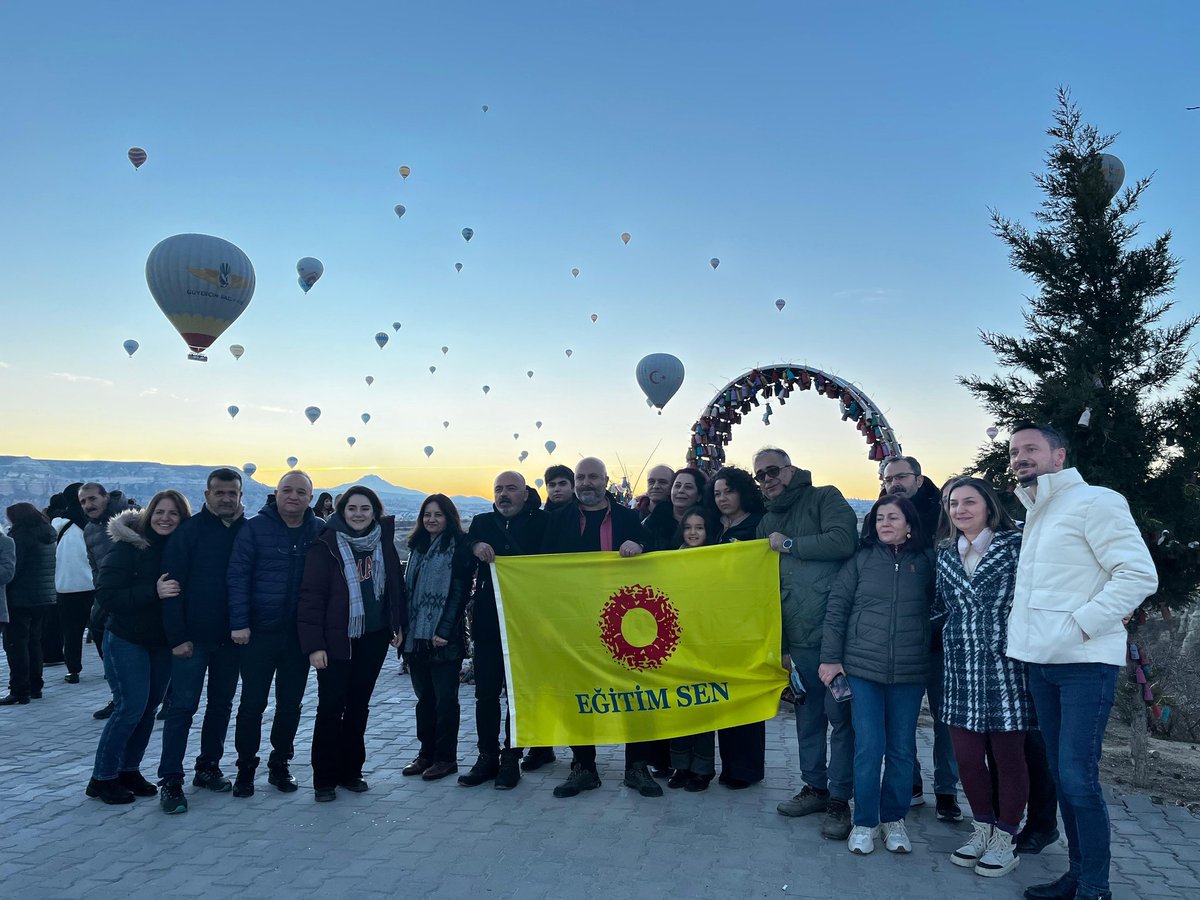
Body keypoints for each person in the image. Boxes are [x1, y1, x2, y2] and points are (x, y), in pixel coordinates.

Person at [1006, 424, 1157, 900]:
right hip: (1040, 660)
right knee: (1060, 771)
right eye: (1015, 451)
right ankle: (1077, 875)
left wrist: (1083, 624)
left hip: (1084, 663)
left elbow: (1137, 573)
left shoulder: (1096, 501)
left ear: (1058, 456)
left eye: (1032, 449)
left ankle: (1095, 886)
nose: (1021, 457)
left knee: (1077, 776)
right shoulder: (1036, 510)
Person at [542, 457, 663, 800]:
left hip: (624, 622)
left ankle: (637, 767)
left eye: (593, 476)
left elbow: (655, 554)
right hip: (574, 622)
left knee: (634, 691)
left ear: (606, 480)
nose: (586, 483)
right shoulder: (557, 519)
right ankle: (584, 767)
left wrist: (639, 547)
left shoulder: (628, 518)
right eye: (581, 477)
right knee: (578, 693)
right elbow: (542, 568)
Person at [820, 494, 933, 856]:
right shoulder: (861, 560)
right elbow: (837, 608)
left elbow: (943, 607)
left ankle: (893, 819)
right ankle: (865, 821)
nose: (885, 523)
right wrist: (830, 658)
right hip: (862, 669)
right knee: (869, 746)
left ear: (910, 524)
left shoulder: (927, 562)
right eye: (879, 517)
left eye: (893, 518)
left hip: (910, 671)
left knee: (901, 749)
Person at [755, 447, 858, 840]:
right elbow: (763, 589)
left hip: (836, 641)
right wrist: (779, 645)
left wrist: (790, 545)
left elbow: (843, 540)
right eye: (760, 475)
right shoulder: (765, 520)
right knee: (807, 720)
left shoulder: (825, 498)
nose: (768, 479)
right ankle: (815, 787)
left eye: (773, 470)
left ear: (790, 468)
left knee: (842, 721)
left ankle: (840, 798)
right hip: (795, 643)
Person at [934, 477, 1029, 877]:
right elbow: (940, 605)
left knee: (1008, 757)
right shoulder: (944, 555)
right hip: (959, 667)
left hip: (1006, 663)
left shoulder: (1016, 546)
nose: (961, 510)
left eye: (969, 502)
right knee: (968, 759)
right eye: (954, 504)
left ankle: (1006, 837)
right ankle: (982, 828)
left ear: (989, 506)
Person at [298, 486, 406, 802]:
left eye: (365, 509)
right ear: (341, 512)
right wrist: (314, 645)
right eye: (352, 508)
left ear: (375, 513)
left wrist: (396, 625)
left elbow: (394, 589)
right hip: (336, 640)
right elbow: (311, 598)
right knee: (331, 708)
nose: (358, 514)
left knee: (358, 707)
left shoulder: (384, 544)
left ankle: (351, 772)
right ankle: (324, 779)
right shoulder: (326, 546)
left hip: (372, 638)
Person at [86, 491, 189, 805]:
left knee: (147, 710)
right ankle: (102, 777)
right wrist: (152, 592)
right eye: (160, 512)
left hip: (161, 643)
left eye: (173, 513)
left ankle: (128, 769)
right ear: (148, 514)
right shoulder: (128, 547)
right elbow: (107, 594)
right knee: (129, 708)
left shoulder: (179, 549)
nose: (165, 518)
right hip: (127, 638)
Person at [155, 468, 247, 814]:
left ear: (241, 496)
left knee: (221, 706)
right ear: (207, 495)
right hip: (192, 640)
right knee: (182, 709)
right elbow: (171, 588)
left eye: (232, 493)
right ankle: (171, 779)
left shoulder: (247, 532)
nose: (226, 498)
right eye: (219, 492)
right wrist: (177, 638)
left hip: (232, 639)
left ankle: (208, 766)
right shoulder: (188, 533)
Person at [227, 471, 324, 797]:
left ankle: (280, 763)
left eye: (300, 492)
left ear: (310, 498)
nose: (293, 496)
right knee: (252, 704)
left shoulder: (320, 530)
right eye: (287, 490)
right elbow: (237, 577)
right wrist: (239, 623)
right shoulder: (254, 528)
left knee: (290, 705)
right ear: (276, 493)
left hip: (298, 636)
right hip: (259, 633)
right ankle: (245, 768)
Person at [877, 455, 961, 820]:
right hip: (904, 637)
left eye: (900, 476)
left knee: (947, 719)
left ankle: (946, 791)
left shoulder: (944, 512)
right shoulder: (884, 514)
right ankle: (908, 783)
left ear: (918, 477)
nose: (894, 483)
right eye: (888, 478)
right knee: (901, 719)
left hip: (944, 638)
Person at [459, 471, 548, 789]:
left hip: (526, 622)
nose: (504, 494)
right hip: (487, 622)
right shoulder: (482, 523)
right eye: (499, 489)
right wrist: (475, 546)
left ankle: (512, 757)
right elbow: (463, 553)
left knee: (518, 696)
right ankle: (487, 757)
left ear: (525, 494)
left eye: (512, 488)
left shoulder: (541, 523)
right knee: (485, 695)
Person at [399, 494, 469, 783]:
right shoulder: (417, 547)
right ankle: (425, 753)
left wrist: (444, 629)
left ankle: (445, 758)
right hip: (416, 638)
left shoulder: (458, 548)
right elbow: (407, 592)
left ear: (448, 517)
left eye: (438, 515)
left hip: (444, 638)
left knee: (445, 702)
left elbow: (458, 593)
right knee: (424, 700)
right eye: (427, 514)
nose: (431, 519)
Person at [708, 465, 768, 787]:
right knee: (721, 698)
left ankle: (747, 769)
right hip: (715, 626)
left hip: (748, 625)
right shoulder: (710, 526)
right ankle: (727, 765)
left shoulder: (758, 526)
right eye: (717, 493)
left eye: (728, 491)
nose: (722, 498)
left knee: (745, 698)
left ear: (743, 491)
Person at [666, 505, 718, 791]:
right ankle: (680, 766)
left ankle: (702, 768)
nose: (693, 532)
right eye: (688, 527)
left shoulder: (718, 559)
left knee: (702, 707)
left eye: (699, 527)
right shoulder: (670, 559)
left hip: (705, 643)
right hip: (675, 644)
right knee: (678, 708)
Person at [79, 482, 128, 720]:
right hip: (107, 599)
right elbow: (94, 564)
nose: (88, 505)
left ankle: (166, 697)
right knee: (107, 649)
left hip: (133, 598)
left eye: (92, 499)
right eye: (83, 501)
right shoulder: (89, 529)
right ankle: (118, 697)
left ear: (105, 497)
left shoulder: (129, 519)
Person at [1, 504, 57, 705]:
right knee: (34, 642)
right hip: (43, 597)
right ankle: (35, 686)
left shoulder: (20, 537)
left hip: (19, 598)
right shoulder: (48, 534)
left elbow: (14, 570)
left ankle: (19, 690)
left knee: (15, 644)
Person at [52, 485, 94, 685]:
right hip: (93, 585)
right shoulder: (93, 524)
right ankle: (110, 667)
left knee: (71, 633)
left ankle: (73, 670)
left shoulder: (59, 525)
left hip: (66, 587)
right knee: (101, 630)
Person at [643, 468, 707, 552]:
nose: (681, 491)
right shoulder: (652, 523)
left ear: (699, 496)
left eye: (688, 487)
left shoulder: (709, 524)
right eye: (677, 486)